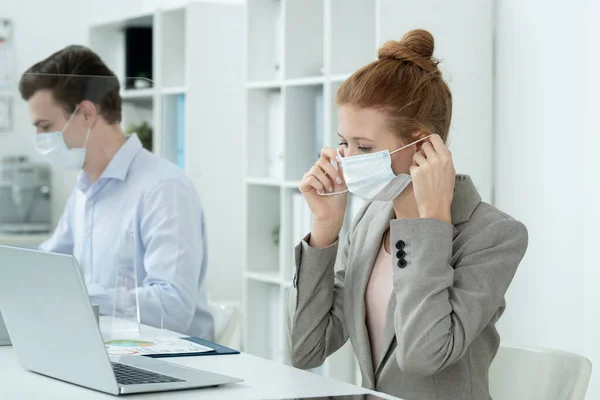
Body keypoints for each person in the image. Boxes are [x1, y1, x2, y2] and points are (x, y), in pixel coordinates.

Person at [286, 29, 528, 400]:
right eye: (343, 142)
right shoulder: (370, 220)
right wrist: (326, 228)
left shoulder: (494, 234)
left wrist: (429, 226)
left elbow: (422, 356)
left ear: (423, 145)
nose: (346, 160)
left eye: (364, 146)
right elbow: (306, 350)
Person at [19, 45, 214, 340]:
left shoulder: (163, 189)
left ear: (85, 113)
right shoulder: (85, 191)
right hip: (104, 350)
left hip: (169, 363)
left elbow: (173, 307)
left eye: (45, 126)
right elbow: (47, 266)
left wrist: (83, 297)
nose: (39, 139)